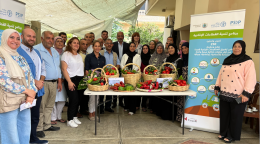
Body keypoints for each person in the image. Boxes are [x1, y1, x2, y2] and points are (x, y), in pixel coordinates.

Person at [215, 40, 256, 143]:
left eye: (239, 46)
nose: (236, 48)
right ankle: (224, 132)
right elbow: (221, 74)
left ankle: (232, 135)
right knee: (225, 114)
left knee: (235, 116)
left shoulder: (248, 61)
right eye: (235, 46)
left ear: (243, 48)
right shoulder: (227, 60)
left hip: (239, 94)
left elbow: (251, 78)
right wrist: (217, 86)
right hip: (225, 93)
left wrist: (246, 93)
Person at [0, 29, 37, 144]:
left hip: (24, 102)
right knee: (10, 136)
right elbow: (4, 81)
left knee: (24, 132)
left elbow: (30, 77)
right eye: (11, 37)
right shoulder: (1, 56)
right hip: (9, 102)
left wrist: (32, 93)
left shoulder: (20, 57)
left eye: (17, 38)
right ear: (4, 38)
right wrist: (27, 91)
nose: (15, 41)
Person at [17, 28, 48, 144]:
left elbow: (43, 69)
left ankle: (33, 138)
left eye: (33, 37)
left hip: (38, 90)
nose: (31, 39)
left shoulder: (37, 52)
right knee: (24, 117)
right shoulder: (17, 52)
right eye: (29, 36)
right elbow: (19, 72)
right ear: (22, 37)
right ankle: (23, 140)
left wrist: (40, 81)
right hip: (25, 91)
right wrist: (35, 81)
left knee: (35, 116)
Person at [35, 31, 62, 137]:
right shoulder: (37, 49)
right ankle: (39, 128)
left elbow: (58, 67)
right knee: (41, 107)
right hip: (43, 83)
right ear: (42, 39)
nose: (50, 40)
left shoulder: (55, 51)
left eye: (52, 38)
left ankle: (47, 125)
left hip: (53, 83)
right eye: (48, 38)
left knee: (49, 106)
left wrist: (59, 81)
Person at [61, 37, 84, 128]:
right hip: (71, 80)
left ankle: (74, 116)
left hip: (80, 79)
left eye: (78, 43)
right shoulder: (66, 54)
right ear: (69, 44)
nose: (76, 44)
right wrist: (69, 82)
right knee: (73, 100)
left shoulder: (78, 55)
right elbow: (64, 69)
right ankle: (69, 119)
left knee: (78, 100)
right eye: (74, 43)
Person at [157, 44, 183, 120]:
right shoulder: (166, 59)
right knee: (164, 98)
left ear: (175, 49)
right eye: (169, 48)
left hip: (173, 83)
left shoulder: (179, 60)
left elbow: (179, 73)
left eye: (172, 48)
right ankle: (163, 115)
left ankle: (171, 116)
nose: (170, 49)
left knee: (171, 99)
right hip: (164, 82)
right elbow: (161, 69)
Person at [85, 40, 106, 120]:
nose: (97, 47)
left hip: (99, 80)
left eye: (99, 46)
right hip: (92, 79)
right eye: (95, 46)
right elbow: (86, 70)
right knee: (92, 97)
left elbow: (103, 70)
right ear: (93, 47)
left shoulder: (103, 58)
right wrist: (89, 80)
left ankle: (94, 112)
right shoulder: (89, 57)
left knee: (97, 98)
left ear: (101, 47)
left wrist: (102, 79)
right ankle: (90, 113)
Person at [99, 39, 120, 113]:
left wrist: (114, 70)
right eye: (107, 43)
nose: (109, 45)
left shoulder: (115, 54)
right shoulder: (101, 52)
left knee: (110, 91)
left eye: (110, 43)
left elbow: (118, 64)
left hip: (112, 75)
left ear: (112, 45)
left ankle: (108, 106)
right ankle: (100, 108)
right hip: (103, 75)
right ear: (104, 44)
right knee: (102, 91)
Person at [120, 42, 141, 115]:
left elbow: (138, 65)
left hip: (134, 76)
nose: (132, 47)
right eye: (130, 46)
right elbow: (122, 64)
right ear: (129, 47)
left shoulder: (138, 56)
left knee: (132, 92)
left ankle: (132, 109)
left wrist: (132, 72)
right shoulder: (125, 55)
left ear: (135, 47)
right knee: (126, 90)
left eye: (133, 46)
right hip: (126, 75)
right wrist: (125, 71)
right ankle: (126, 106)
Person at [51, 36, 67, 125]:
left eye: (62, 41)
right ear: (54, 43)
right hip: (53, 79)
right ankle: (53, 117)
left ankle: (59, 116)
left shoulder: (65, 53)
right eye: (58, 41)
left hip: (64, 80)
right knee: (53, 99)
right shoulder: (51, 52)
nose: (60, 43)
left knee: (62, 99)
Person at [112, 31, 129, 108]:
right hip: (115, 67)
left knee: (123, 83)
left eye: (121, 36)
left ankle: (122, 101)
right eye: (118, 36)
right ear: (117, 37)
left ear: (123, 36)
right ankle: (114, 101)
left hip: (124, 68)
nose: (120, 37)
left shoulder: (127, 45)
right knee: (115, 84)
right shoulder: (113, 44)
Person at [148, 44, 167, 114]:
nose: (159, 49)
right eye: (158, 48)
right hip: (153, 76)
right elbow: (150, 65)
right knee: (153, 92)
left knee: (159, 93)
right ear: (156, 49)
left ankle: (158, 109)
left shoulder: (165, 57)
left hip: (161, 77)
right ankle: (152, 108)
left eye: (161, 48)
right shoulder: (152, 56)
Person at [137, 44, 151, 112]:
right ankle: (137, 105)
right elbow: (138, 65)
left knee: (145, 91)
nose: (145, 50)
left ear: (148, 49)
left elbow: (151, 67)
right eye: (144, 48)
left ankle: (143, 105)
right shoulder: (139, 57)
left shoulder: (150, 57)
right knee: (139, 90)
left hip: (147, 76)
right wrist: (141, 73)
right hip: (140, 75)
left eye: (146, 48)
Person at [78, 38, 89, 117]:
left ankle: (84, 109)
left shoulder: (89, 54)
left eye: (86, 44)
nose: (85, 46)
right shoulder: (77, 54)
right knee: (79, 95)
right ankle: (77, 111)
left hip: (87, 77)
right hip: (79, 77)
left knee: (86, 95)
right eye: (83, 44)